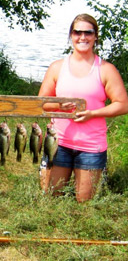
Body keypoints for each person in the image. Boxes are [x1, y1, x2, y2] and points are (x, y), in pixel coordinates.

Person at [38, 13, 128, 202]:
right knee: (50, 197)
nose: (83, 37)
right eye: (77, 32)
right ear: (71, 35)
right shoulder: (57, 67)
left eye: (88, 32)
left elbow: (123, 104)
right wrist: (60, 106)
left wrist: (93, 114)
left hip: (91, 147)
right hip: (58, 143)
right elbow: (42, 102)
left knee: (84, 202)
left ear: (95, 37)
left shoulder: (105, 69)